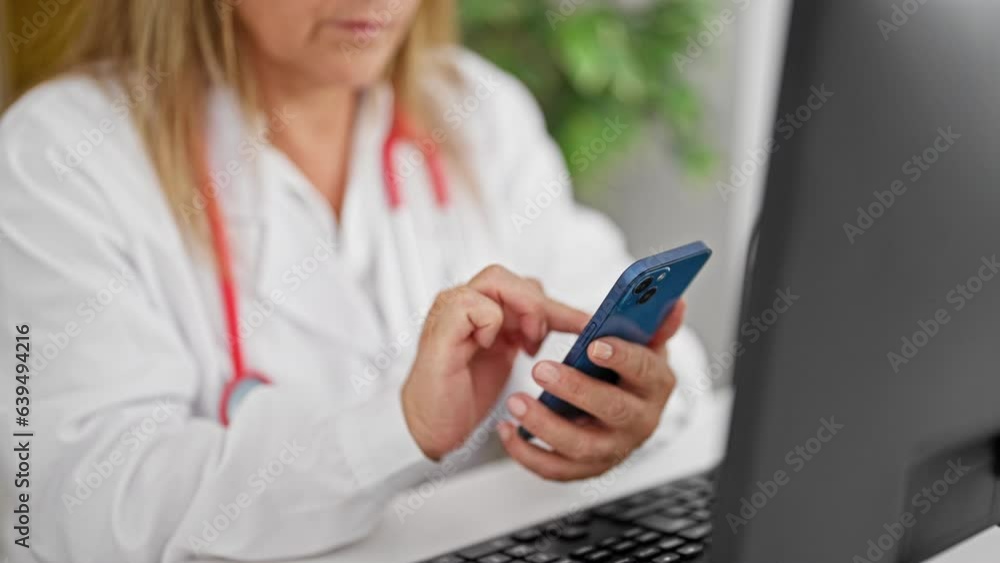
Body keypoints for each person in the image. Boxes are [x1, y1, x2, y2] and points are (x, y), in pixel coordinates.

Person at [0, 1, 707, 560]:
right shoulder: (61, 156)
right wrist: (391, 430)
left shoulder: (479, 109)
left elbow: (639, 337)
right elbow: (73, 509)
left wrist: (619, 401)